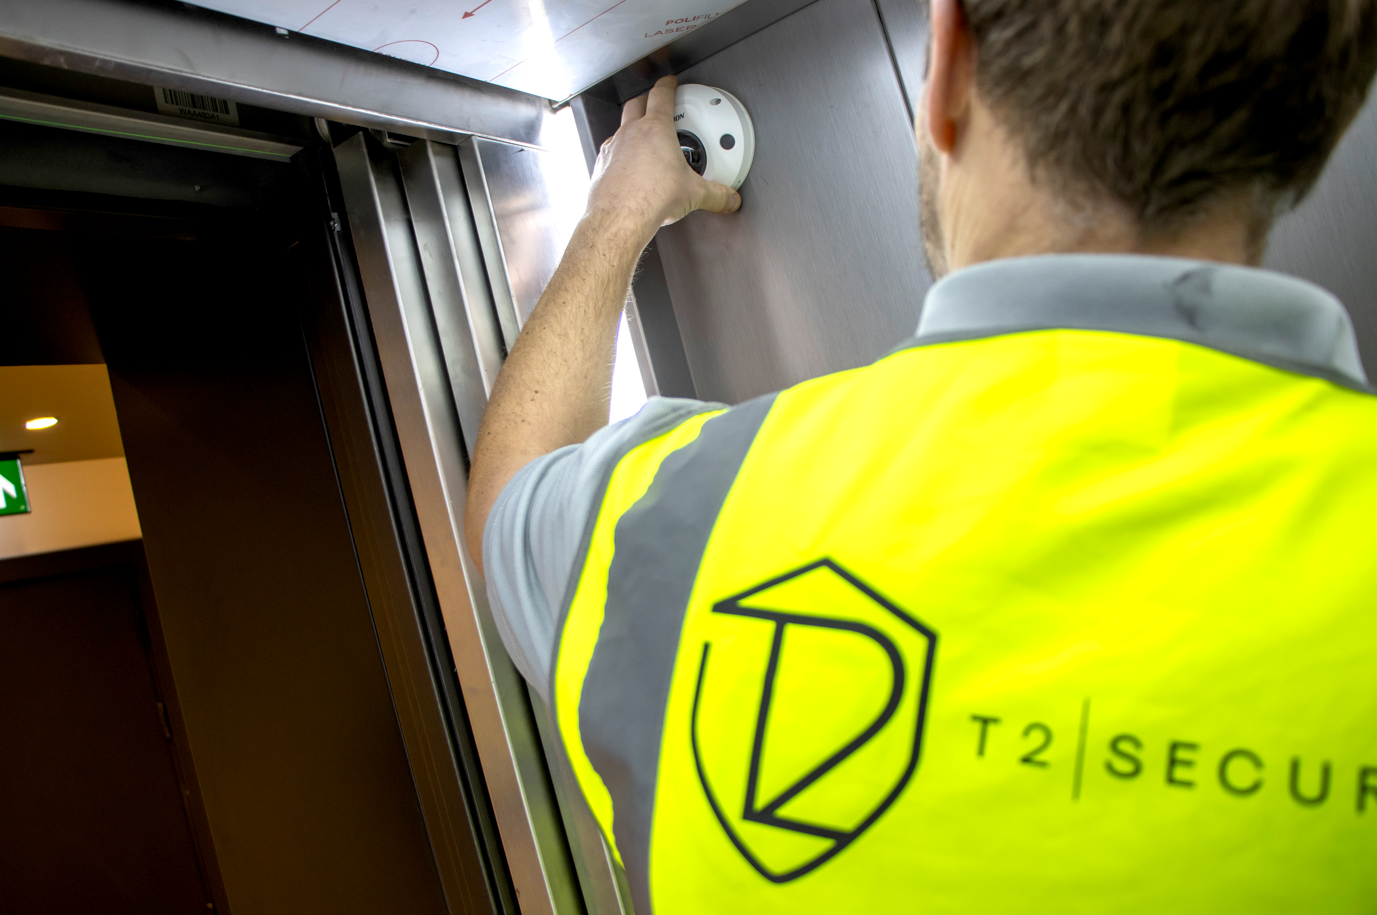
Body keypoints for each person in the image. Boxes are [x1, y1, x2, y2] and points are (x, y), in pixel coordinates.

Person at [465, 0, 1377, 911]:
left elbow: (511, 489)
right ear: (1311, 130)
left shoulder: (692, 517)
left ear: (943, 66)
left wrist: (614, 215)